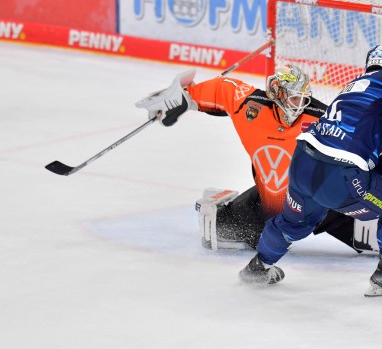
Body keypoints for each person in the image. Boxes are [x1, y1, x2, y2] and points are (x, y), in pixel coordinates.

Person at [238, 44, 382, 297]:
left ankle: (258, 267)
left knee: (294, 223)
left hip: (302, 164)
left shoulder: (354, 91)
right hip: (342, 175)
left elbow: (380, 158)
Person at [136, 64, 359, 251]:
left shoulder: (322, 117)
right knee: (217, 229)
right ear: (277, 93)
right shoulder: (251, 107)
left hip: (317, 205)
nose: (298, 107)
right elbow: (221, 88)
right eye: (293, 99)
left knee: (373, 231)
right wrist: (183, 98)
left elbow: (359, 136)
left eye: (303, 100)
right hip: (269, 207)